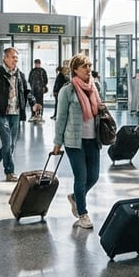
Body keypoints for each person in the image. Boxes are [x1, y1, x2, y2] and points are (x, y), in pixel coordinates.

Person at [53, 54, 102, 229]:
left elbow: (98, 110)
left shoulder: (94, 87)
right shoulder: (67, 90)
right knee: (81, 177)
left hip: (93, 139)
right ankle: (83, 213)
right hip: (74, 141)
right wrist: (57, 142)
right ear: (75, 70)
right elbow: (61, 118)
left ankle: (75, 197)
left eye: (89, 65)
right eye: (84, 67)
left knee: (94, 176)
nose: (88, 69)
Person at [0, 47, 38, 182]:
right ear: (6, 58)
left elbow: (27, 91)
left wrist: (33, 103)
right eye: (13, 57)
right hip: (1, 113)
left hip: (15, 112)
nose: (16, 60)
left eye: (16, 58)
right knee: (7, 142)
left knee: (12, 144)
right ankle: (10, 171)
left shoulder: (20, 75)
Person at [28, 59, 49, 124]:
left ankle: (40, 114)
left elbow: (46, 80)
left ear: (40, 63)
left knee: (40, 102)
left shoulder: (42, 71)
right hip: (33, 89)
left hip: (40, 90)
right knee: (33, 102)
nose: (37, 64)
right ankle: (33, 114)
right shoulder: (32, 71)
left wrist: (43, 87)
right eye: (36, 63)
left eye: (38, 63)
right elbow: (29, 80)